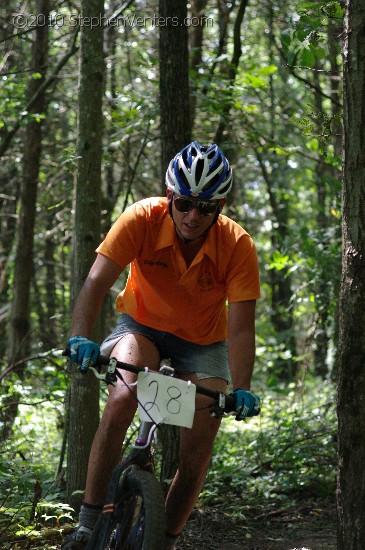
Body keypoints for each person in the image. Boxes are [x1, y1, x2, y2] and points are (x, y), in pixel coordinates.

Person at [62, 141, 261, 550]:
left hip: (203, 341)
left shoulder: (237, 245)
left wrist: (241, 386)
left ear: (220, 206)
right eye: (186, 202)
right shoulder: (141, 218)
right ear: (170, 196)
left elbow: (241, 329)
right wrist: (80, 336)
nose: (193, 215)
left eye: (206, 207)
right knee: (123, 395)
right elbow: (96, 281)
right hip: (142, 325)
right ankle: (86, 523)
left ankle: (164, 538)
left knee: (203, 434)